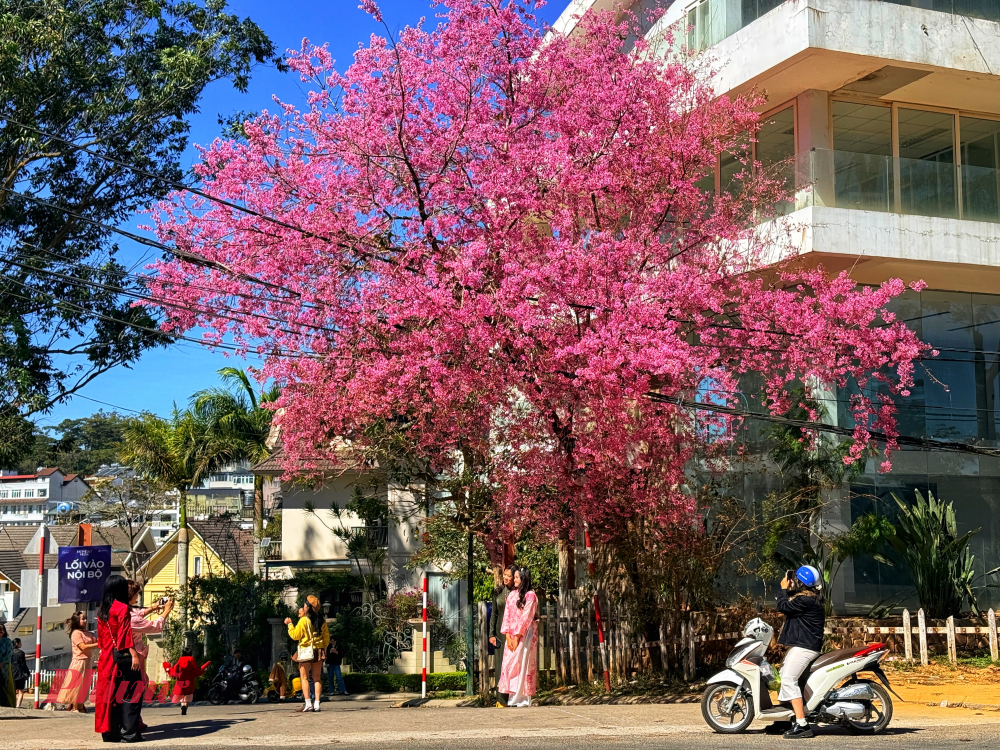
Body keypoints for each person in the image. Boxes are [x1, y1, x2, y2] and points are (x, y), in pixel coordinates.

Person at [775, 565, 826, 740]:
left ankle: (802, 724)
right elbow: (790, 601)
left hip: (805, 646)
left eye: (796, 579)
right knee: (783, 675)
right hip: (803, 645)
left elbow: (783, 606)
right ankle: (786, 719)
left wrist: (783, 588)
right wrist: (788, 591)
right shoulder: (808, 598)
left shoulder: (805, 601)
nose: (793, 581)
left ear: (801, 582)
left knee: (789, 679)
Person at [94, 574, 143, 743]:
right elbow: (124, 636)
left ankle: (110, 733)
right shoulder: (122, 608)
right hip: (123, 657)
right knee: (132, 693)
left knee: (110, 697)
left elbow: (101, 639)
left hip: (107, 658)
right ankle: (129, 733)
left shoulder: (102, 611)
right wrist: (134, 654)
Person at [497, 567, 538, 708]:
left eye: (517, 577)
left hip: (525, 635)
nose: (514, 580)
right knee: (510, 664)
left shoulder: (531, 595)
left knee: (523, 664)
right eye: (514, 577)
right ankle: (513, 697)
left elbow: (526, 618)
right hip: (512, 635)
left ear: (524, 578)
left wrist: (518, 636)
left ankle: (523, 699)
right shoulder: (512, 595)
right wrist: (509, 636)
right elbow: (506, 616)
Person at [284, 594, 329, 713]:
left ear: (308, 607)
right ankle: (317, 704)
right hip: (318, 651)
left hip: (305, 651)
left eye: (305, 605)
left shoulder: (304, 620)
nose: (303, 606)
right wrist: (321, 647)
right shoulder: (322, 620)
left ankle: (308, 702)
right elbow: (326, 638)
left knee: (304, 678)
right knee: (317, 679)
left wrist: (289, 625)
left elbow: (295, 635)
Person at [56, 612, 100, 712]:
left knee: (84, 686)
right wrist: (98, 644)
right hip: (79, 662)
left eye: (85, 619)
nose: (85, 621)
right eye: (82, 619)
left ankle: (79, 706)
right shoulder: (76, 633)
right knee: (77, 687)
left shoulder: (86, 632)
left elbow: (95, 640)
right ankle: (75, 707)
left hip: (87, 661)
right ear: (77, 621)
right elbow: (83, 647)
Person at [488, 565, 515, 707]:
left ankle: (514, 699)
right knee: (500, 666)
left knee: (512, 666)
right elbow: (494, 614)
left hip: (514, 634)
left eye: (509, 576)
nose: (505, 577)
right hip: (499, 633)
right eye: (504, 574)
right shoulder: (498, 592)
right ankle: (501, 700)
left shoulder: (518, 593)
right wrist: (491, 634)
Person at [166, 647, 211, 715]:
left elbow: (175, 670)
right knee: (187, 696)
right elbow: (196, 671)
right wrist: (203, 670)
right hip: (189, 681)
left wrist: (169, 670)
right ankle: (185, 706)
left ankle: (183, 705)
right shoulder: (192, 660)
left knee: (182, 696)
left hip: (180, 681)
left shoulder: (180, 660)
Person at [11, 638, 29, 708]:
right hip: (19, 674)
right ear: (17, 643)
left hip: (11, 673)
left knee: (12, 691)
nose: (21, 644)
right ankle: (18, 706)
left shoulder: (9, 652)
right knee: (21, 691)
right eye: (20, 643)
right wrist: (27, 672)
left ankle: (12, 704)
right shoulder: (21, 653)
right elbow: (23, 665)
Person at [0, 624, 15, 708]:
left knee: (5, 685)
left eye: (2, 630)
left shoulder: (7, 641)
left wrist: (1, 663)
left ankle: (8, 704)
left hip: (5, 666)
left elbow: (8, 655)